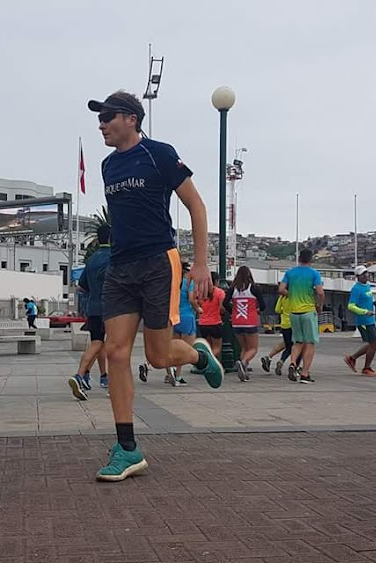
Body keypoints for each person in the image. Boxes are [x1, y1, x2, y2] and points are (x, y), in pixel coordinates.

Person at [87, 90, 223, 482]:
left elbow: (196, 206)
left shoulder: (160, 154)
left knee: (159, 358)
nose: (102, 125)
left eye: (108, 117)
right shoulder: (107, 166)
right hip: (120, 267)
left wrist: (200, 264)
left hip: (159, 263)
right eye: (99, 119)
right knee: (115, 353)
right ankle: (127, 448)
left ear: (131, 118)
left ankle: (198, 356)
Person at [69, 224, 111, 400]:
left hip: (93, 307)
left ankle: (103, 376)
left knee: (98, 341)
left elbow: (81, 286)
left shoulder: (92, 259)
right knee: (105, 345)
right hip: (110, 307)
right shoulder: (114, 257)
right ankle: (81, 374)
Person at [279, 248, 324, 384]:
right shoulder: (314, 273)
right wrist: (319, 306)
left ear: (299, 258)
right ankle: (304, 373)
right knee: (309, 343)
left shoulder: (290, 273)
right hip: (308, 311)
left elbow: (281, 289)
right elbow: (320, 292)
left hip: (294, 312)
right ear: (311, 259)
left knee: (297, 342)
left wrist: (291, 295)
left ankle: (293, 363)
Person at [223, 266, 266, 381]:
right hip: (250, 321)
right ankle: (243, 363)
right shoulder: (254, 288)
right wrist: (257, 309)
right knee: (253, 348)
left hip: (237, 321)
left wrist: (232, 311)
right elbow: (263, 305)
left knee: (244, 347)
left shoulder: (233, 289)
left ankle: (243, 371)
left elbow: (225, 302)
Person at [167, 261, 202, 386]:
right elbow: (192, 300)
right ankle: (177, 375)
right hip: (187, 316)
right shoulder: (189, 283)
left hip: (174, 316)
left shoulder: (172, 283)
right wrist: (198, 309)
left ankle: (169, 370)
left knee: (173, 345)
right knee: (185, 349)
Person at [344, 265, 376, 377]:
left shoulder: (367, 286)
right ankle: (366, 368)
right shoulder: (356, 289)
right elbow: (351, 306)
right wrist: (364, 312)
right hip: (364, 320)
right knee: (374, 344)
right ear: (358, 276)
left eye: (366, 273)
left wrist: (374, 304)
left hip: (370, 319)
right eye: (363, 274)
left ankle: (352, 358)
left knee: (372, 344)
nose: (366, 275)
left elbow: (365, 301)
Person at [260, 295, 293, 376]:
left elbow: (277, 310)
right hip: (294, 323)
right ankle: (286, 362)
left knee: (285, 343)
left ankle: (269, 357)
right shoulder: (295, 295)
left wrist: (284, 310)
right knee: (295, 346)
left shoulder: (282, 296)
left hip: (284, 324)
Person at [196, 271, 226, 357]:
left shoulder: (200, 292)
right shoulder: (219, 292)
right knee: (217, 348)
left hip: (203, 323)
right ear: (216, 281)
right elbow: (221, 308)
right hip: (215, 323)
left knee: (208, 347)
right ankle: (210, 360)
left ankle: (208, 363)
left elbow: (197, 305)